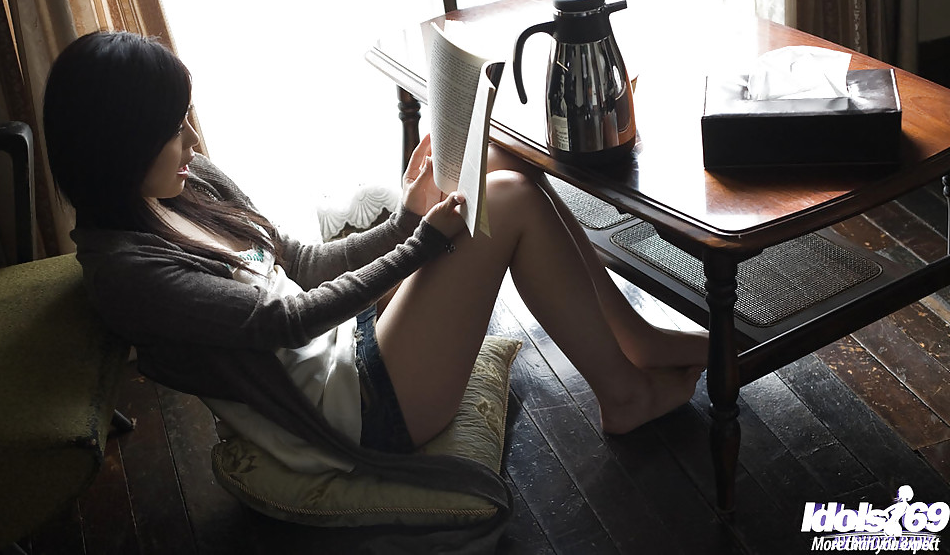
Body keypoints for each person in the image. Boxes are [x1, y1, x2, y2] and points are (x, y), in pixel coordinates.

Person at [43, 30, 706, 486]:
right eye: (171, 131)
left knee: (499, 160)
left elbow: (301, 262)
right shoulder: (129, 273)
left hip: (355, 345)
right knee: (507, 203)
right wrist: (422, 243)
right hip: (355, 414)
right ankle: (624, 395)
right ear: (118, 147)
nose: (191, 141)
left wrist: (407, 219)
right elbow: (288, 322)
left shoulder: (188, 184)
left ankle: (637, 339)